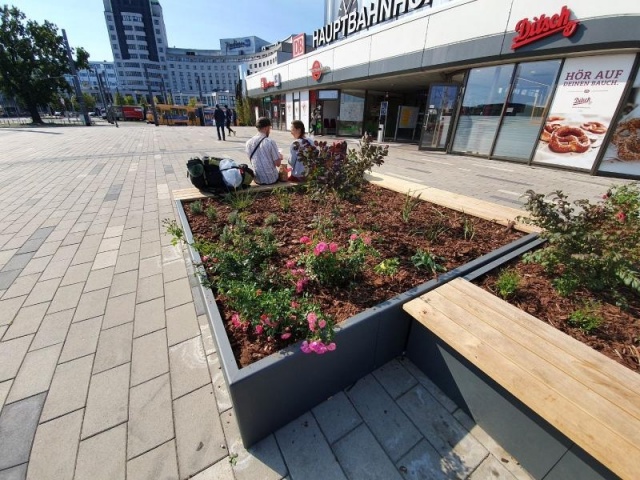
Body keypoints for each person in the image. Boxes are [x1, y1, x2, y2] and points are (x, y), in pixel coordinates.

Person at [245, 117, 282, 185]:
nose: (270, 131)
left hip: (258, 179)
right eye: (269, 128)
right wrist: (279, 156)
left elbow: (252, 160)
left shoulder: (248, 143)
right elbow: (278, 164)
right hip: (271, 179)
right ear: (266, 128)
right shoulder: (270, 142)